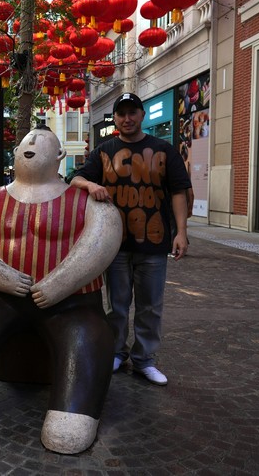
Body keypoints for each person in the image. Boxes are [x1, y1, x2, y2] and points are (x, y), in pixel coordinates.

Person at [0, 125, 122, 454]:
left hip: (72, 303)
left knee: (87, 339)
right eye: (27, 141)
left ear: (60, 155)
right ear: (15, 152)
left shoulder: (86, 202)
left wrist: (60, 282)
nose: (33, 143)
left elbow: (103, 238)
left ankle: (74, 411)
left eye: (41, 141)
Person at [71, 92, 192, 386]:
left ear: (142, 115)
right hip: (115, 244)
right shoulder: (103, 151)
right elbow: (74, 179)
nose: (127, 119)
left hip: (154, 242)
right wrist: (90, 185)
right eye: (121, 113)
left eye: (132, 113)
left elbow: (179, 191)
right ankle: (116, 352)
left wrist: (182, 233)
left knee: (151, 305)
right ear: (115, 118)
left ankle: (144, 360)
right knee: (117, 305)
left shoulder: (164, 150)